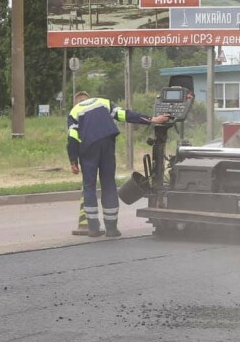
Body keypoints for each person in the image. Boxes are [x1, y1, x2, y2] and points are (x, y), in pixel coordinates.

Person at [67, 90, 169, 237]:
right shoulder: (102, 102)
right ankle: (112, 229)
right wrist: (152, 119)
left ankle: (93, 229)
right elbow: (126, 115)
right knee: (109, 185)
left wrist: (73, 160)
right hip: (107, 144)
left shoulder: (74, 112)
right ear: (89, 98)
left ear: (77, 101)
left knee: (89, 186)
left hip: (88, 149)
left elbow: (73, 138)